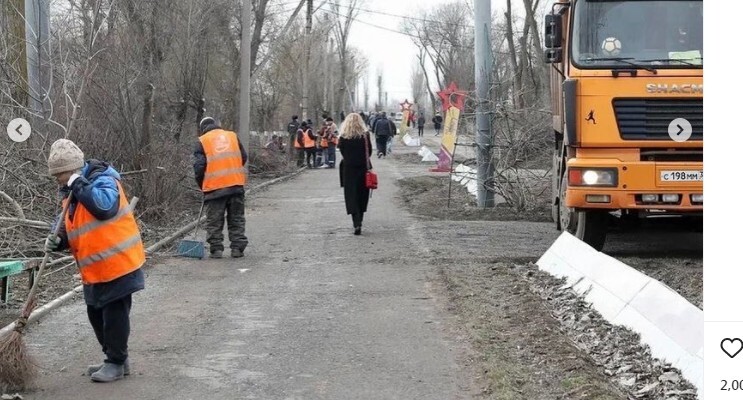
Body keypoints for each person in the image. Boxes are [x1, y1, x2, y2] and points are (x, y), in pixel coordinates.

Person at [44, 139, 146, 382]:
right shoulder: (72, 191)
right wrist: (58, 239)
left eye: (60, 175)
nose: (57, 180)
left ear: (72, 171)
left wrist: (78, 184)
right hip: (95, 269)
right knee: (95, 313)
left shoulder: (103, 180)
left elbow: (104, 206)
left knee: (114, 315)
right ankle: (115, 357)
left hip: (118, 263)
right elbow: (72, 224)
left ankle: (116, 362)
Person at [193, 117, 249, 258]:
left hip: (215, 187)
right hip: (236, 184)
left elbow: (199, 167)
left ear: (202, 128)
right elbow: (243, 156)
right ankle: (237, 248)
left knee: (214, 220)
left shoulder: (202, 141)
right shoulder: (232, 136)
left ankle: (216, 249)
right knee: (236, 218)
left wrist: (202, 184)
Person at [338, 113, 373, 235]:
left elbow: (342, 151)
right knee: (362, 195)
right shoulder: (365, 136)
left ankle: (356, 222)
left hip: (348, 169)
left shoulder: (343, 137)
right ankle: (360, 219)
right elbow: (369, 152)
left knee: (351, 195)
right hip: (363, 168)